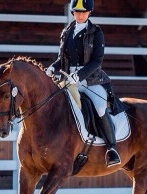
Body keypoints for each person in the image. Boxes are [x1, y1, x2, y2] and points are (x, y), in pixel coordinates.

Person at [46, 0, 127, 167]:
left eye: (84, 12)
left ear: (89, 12)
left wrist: (79, 75)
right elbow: (62, 59)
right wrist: (52, 68)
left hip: (91, 79)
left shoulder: (96, 32)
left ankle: (112, 149)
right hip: (68, 79)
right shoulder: (66, 32)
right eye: (77, 12)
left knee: (99, 107)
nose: (80, 15)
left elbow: (97, 61)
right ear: (73, 13)